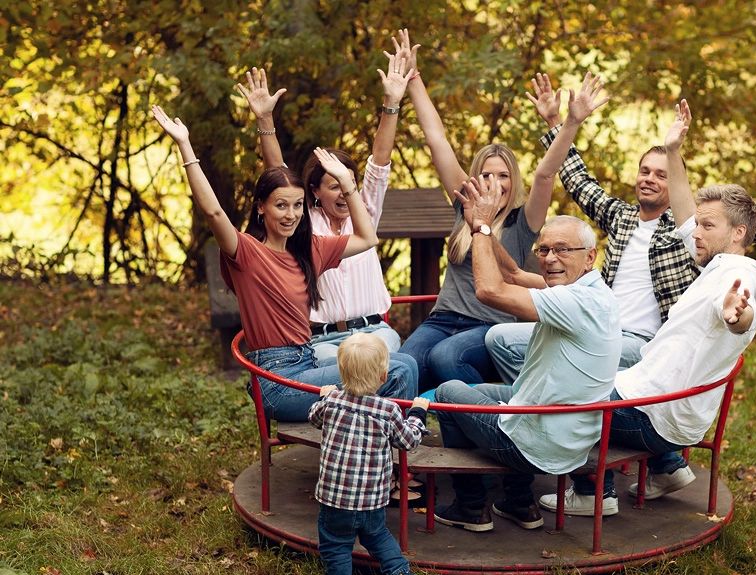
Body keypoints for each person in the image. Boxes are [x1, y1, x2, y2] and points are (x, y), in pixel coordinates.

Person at [487, 75, 756, 493]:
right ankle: (655, 463)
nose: (650, 178)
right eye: (644, 170)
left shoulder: (704, 253)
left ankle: (580, 481)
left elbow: (743, 239)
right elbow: (580, 182)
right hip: (607, 333)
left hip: (640, 344)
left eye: (661, 173)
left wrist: (739, 312)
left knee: (562, 380)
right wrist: (559, 120)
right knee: (504, 342)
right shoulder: (625, 219)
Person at [538, 101, 756, 516]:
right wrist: (674, 149)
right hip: (649, 393)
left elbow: (739, 315)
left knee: (562, 395)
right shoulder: (713, 262)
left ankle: (593, 493)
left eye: (706, 227)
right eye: (696, 224)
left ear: (737, 233)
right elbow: (684, 208)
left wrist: (740, 315)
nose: (694, 233)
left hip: (657, 415)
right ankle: (663, 470)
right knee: (579, 375)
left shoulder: (739, 278)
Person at [151, 106, 417, 422]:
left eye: (295, 206)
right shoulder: (246, 253)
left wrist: (347, 183)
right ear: (261, 208)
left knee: (405, 365)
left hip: (309, 363)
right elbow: (213, 213)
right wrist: (186, 147)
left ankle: (372, 452)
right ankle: (395, 456)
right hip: (277, 382)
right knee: (397, 367)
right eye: (280, 206)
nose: (290, 214)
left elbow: (367, 239)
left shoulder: (309, 251)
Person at [433, 172, 621, 532]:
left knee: (447, 394)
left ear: (590, 256)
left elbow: (490, 291)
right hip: (565, 432)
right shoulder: (593, 290)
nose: (550, 258)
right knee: (487, 392)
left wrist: (482, 230)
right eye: (545, 249)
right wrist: (481, 225)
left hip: (543, 445)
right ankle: (520, 503)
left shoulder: (572, 300)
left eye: (563, 249)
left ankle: (471, 507)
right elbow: (516, 275)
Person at [393, 29, 558, 393]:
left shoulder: (522, 222)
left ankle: (485, 421)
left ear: (512, 183)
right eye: (486, 174)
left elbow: (546, 174)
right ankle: (401, 433)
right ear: (474, 179)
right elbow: (436, 140)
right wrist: (414, 79)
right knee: (402, 366)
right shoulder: (463, 206)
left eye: (503, 176)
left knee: (446, 358)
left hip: (487, 327)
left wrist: (556, 125)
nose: (494, 183)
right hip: (442, 319)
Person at [237, 47, 413, 361]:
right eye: (336, 186)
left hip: (374, 331)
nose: (346, 194)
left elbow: (380, 161)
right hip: (323, 339)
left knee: (392, 362)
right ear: (315, 190)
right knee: (340, 367)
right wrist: (264, 119)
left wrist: (392, 103)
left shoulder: (365, 209)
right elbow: (278, 174)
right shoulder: (303, 220)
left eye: (349, 185)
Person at [307, 333, 431, 575]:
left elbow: (314, 417)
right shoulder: (387, 410)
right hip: (372, 499)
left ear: (341, 372)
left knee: (336, 544)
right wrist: (418, 414)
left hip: (334, 500)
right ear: (384, 375)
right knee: (377, 536)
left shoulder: (331, 402)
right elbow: (408, 440)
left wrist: (324, 394)